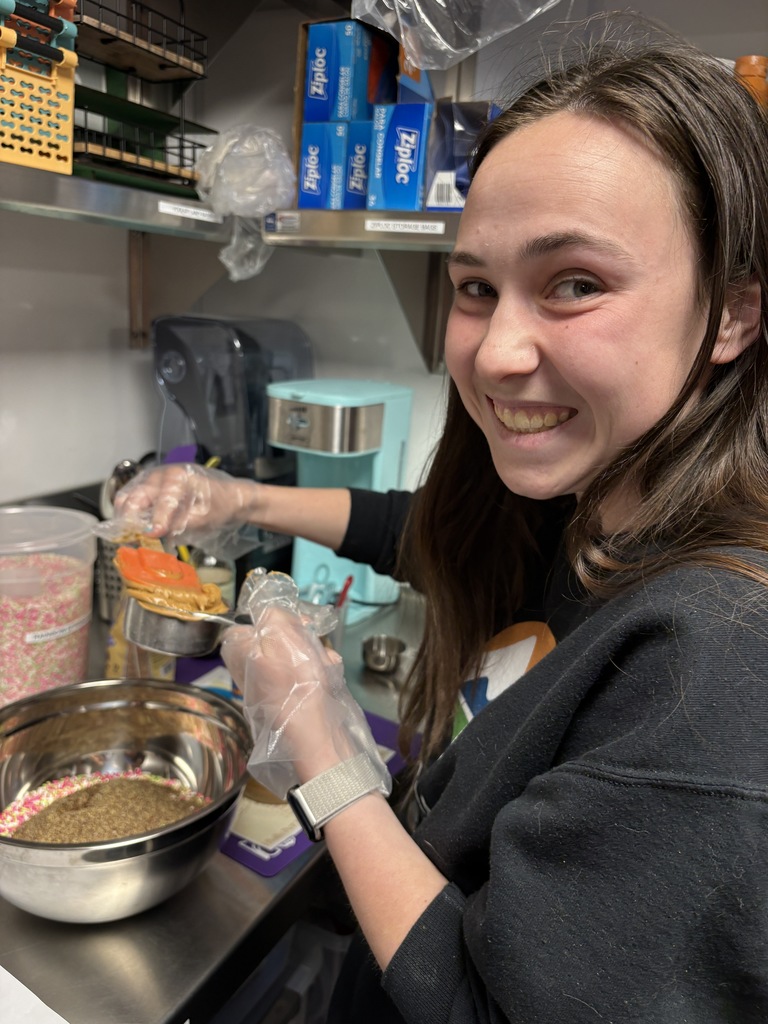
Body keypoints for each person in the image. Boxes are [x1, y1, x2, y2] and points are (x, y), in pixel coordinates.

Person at [121, 21, 768, 1022]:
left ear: (731, 314)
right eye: (476, 287)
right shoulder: (601, 507)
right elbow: (426, 534)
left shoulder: (715, 674)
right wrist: (236, 499)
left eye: (577, 283)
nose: (499, 350)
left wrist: (326, 758)